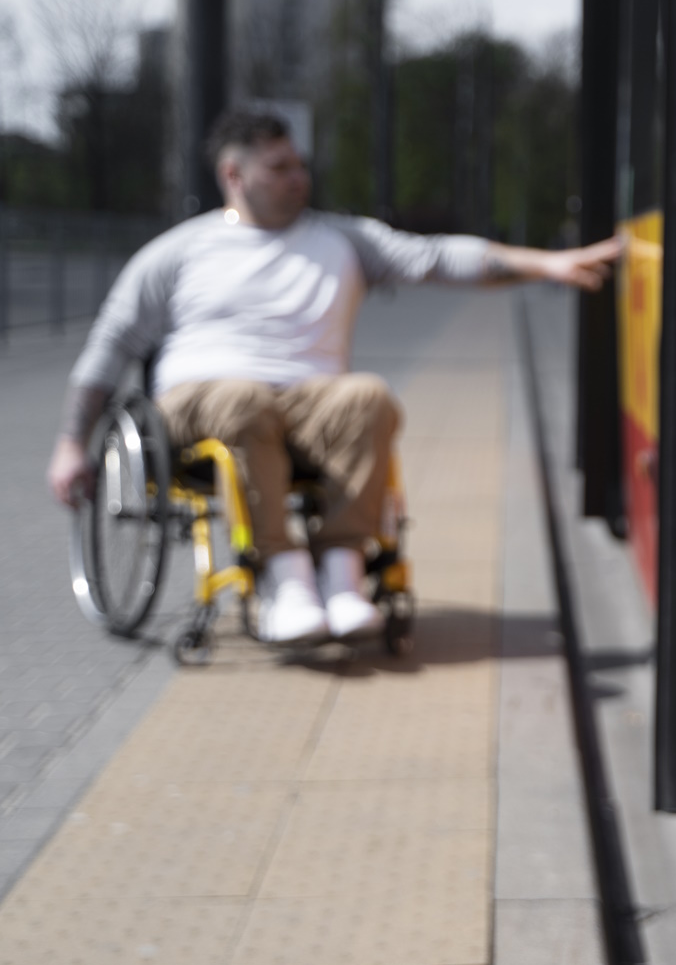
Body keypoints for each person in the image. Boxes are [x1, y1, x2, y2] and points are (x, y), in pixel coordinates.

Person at [46, 109, 620, 642]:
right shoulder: (177, 252)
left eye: (299, 165)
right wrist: (73, 443)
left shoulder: (342, 239)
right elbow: (112, 344)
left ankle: (341, 570)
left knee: (369, 397)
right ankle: (283, 577)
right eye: (279, 167)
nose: (298, 177)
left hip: (306, 402)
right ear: (233, 174)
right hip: (200, 403)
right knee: (243, 400)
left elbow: (439, 257)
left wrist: (549, 264)